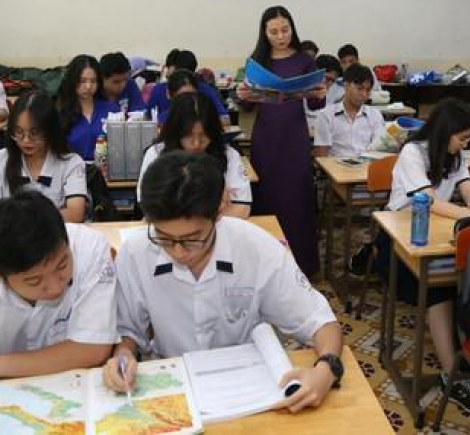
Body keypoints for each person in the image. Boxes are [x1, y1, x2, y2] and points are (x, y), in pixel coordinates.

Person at [102, 151, 344, 412]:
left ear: (219, 210)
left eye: (192, 239)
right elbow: (128, 331)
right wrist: (123, 355)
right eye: (164, 238)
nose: (178, 252)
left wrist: (326, 370)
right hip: (174, 386)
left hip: (248, 386)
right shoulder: (136, 253)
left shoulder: (256, 248)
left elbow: (321, 323)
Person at [381, 98, 470, 414]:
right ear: (445, 132)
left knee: (468, 282)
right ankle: (450, 374)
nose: (466, 144)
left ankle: (466, 357)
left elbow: (467, 189)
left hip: (436, 234)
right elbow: (428, 200)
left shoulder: (453, 155)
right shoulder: (413, 153)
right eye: (463, 138)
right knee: (440, 292)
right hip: (398, 239)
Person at [237, 6, 326, 276]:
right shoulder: (257, 61)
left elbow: (316, 103)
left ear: (292, 29)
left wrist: (320, 92)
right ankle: (264, 266)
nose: (280, 36)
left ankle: (301, 264)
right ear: (264, 33)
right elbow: (247, 107)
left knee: (297, 198)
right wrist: (243, 95)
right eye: (274, 32)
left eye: (285, 30)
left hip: (295, 137)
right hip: (266, 138)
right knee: (266, 196)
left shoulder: (304, 60)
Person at [0, 190, 117, 378]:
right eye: (34, 281)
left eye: (62, 266)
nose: (56, 288)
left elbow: (93, 349)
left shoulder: (88, 246)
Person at [138, 92, 251, 219]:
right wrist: (212, 213)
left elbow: (243, 208)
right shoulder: (156, 154)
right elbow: (150, 209)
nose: (197, 144)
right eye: (188, 135)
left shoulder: (229, 155)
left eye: (204, 135)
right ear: (176, 132)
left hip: (218, 229)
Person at [0, 91, 87, 222]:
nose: (26, 140)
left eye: (34, 133)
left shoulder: (71, 163)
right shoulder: (2, 159)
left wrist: (26, 221)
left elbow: (75, 214)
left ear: (50, 130)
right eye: (18, 132)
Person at [314, 63, 385, 157]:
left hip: (367, 163)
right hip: (335, 165)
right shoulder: (326, 115)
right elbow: (321, 156)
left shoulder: (375, 115)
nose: (364, 94)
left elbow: (379, 149)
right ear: (346, 85)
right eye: (359, 88)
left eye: (368, 90)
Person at [58, 54, 120, 161]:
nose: (88, 86)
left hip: (107, 168)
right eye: (83, 81)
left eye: (93, 81)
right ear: (73, 81)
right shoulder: (62, 113)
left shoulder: (111, 109)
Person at [146, 49, 228, 124]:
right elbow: (148, 120)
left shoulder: (204, 90)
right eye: (169, 77)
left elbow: (225, 119)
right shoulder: (159, 89)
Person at [304, 54, 344, 131]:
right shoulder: (299, 88)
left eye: (331, 80)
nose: (325, 82)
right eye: (324, 77)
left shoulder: (340, 93)